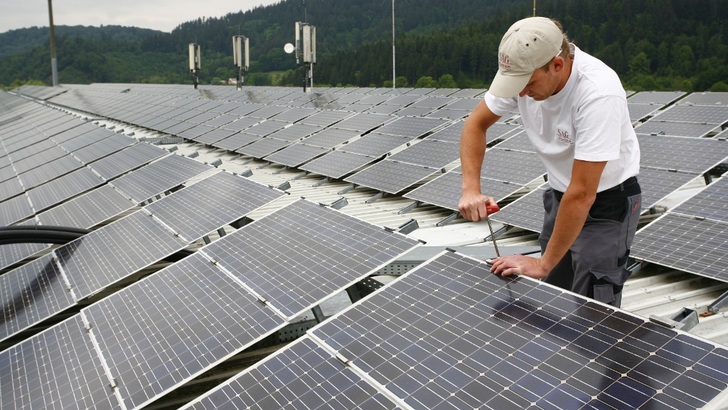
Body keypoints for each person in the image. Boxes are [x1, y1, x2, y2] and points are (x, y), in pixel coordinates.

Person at [458, 16, 641, 307]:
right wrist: (470, 189)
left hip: (605, 204)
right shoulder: (524, 70)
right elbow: (475, 125)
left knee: (593, 308)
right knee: (554, 299)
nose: (520, 93)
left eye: (527, 83)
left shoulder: (597, 92)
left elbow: (582, 193)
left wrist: (543, 264)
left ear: (557, 64)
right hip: (560, 197)